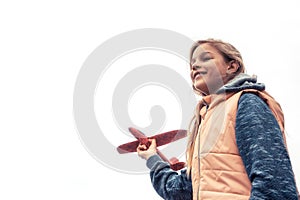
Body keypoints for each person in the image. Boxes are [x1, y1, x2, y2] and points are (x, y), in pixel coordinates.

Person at [137, 39, 299, 200]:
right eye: (192, 63)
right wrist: (152, 157)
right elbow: (179, 190)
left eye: (206, 58)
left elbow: (275, 182)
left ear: (232, 66)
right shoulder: (206, 123)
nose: (194, 66)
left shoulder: (246, 102)